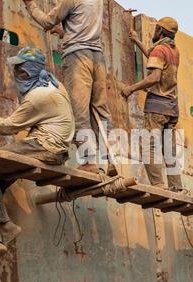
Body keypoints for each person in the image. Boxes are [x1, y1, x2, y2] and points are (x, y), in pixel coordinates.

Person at [0, 47, 75, 267]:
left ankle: (6, 225)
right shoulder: (53, 83)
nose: (15, 74)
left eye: (19, 70)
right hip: (56, 149)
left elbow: (7, 127)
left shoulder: (37, 96)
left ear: (28, 72)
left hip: (44, 146)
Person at [23, 0, 117, 176]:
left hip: (77, 58)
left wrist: (30, 5)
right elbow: (81, 22)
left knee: (79, 111)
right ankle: (111, 159)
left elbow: (47, 21)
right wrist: (64, 32)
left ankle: (89, 161)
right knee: (101, 111)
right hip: (97, 57)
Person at [121, 17, 187, 193]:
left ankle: (158, 184)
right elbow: (154, 57)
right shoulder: (174, 51)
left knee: (149, 146)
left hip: (157, 106)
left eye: (156, 29)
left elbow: (154, 77)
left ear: (161, 31)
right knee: (169, 151)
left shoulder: (159, 50)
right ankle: (176, 186)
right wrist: (136, 40)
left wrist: (131, 89)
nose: (154, 32)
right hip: (172, 108)